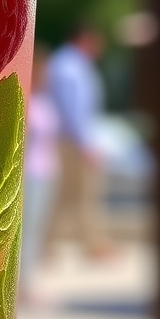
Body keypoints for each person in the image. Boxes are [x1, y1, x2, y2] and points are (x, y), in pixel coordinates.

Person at [45, 25, 113, 257]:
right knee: (84, 193)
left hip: (71, 139)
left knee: (66, 194)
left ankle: (48, 245)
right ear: (85, 39)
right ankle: (94, 245)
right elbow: (72, 109)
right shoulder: (69, 67)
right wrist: (84, 143)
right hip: (73, 140)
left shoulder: (69, 65)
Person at [20, 45, 60, 302]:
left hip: (46, 172)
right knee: (27, 231)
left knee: (37, 229)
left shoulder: (44, 100)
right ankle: (23, 285)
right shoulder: (26, 99)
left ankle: (28, 280)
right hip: (30, 173)